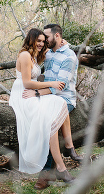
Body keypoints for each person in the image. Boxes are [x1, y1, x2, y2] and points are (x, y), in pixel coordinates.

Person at [8, 28, 74, 189]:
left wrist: (65, 44)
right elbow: (27, 83)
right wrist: (51, 84)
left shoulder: (35, 56)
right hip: (23, 94)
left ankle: (67, 152)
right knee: (48, 117)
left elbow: (55, 51)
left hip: (31, 93)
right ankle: (61, 167)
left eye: (43, 41)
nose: (41, 44)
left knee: (60, 103)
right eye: (38, 41)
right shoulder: (24, 55)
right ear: (30, 40)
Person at [41, 24, 82, 163]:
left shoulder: (69, 56)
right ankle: (68, 149)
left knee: (51, 123)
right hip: (48, 97)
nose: (44, 39)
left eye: (46, 36)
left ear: (57, 35)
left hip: (65, 98)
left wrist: (37, 93)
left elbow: (60, 87)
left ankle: (48, 171)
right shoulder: (48, 53)